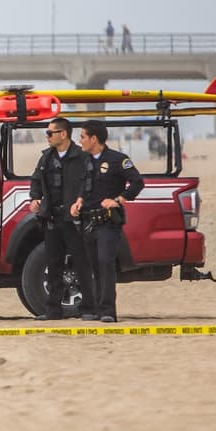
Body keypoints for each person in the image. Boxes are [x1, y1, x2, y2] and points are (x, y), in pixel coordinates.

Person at [71, 120, 144, 323]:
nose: (80, 140)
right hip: (88, 222)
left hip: (108, 223)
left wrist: (119, 199)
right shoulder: (85, 160)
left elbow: (138, 182)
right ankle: (94, 309)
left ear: (94, 139)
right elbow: (84, 186)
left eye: (83, 137)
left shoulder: (117, 159)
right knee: (93, 266)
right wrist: (78, 201)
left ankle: (107, 311)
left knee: (105, 264)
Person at [28, 118, 95, 320]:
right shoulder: (46, 158)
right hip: (52, 218)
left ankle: (88, 309)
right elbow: (36, 181)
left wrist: (81, 202)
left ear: (63, 134)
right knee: (53, 264)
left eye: (50, 133)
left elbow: (90, 183)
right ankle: (53, 310)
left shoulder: (82, 157)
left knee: (82, 264)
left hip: (74, 220)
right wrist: (35, 198)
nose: (47, 137)